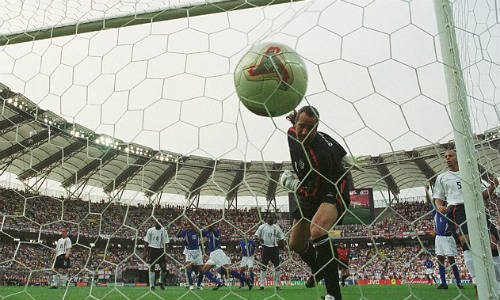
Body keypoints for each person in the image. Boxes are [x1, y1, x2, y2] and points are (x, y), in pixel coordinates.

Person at [280, 106, 351, 300]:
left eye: (309, 128)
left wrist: (292, 183)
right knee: (296, 243)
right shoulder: (292, 133)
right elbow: (340, 149)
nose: (303, 132)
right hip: (309, 184)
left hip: (333, 186)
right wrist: (294, 122)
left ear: (317, 127)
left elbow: (314, 192)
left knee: (318, 230)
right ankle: (318, 268)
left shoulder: (320, 156)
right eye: (301, 126)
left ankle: (334, 295)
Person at [433, 149, 500, 285]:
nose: (447, 159)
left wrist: (492, 186)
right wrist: (439, 206)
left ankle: (497, 280)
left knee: (492, 242)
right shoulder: (442, 177)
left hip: (476, 207)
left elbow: (481, 196)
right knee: (467, 242)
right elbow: (438, 197)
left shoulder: (470, 173)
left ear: (459, 157)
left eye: (450, 156)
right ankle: (477, 280)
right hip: (457, 209)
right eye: (445, 157)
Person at [424, 185, 463, 289]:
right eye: (438, 201)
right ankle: (443, 283)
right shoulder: (434, 210)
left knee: (451, 259)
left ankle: (459, 283)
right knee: (440, 259)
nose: (438, 202)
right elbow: (429, 201)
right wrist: (426, 191)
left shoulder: (449, 211)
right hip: (438, 238)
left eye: (440, 201)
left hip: (448, 237)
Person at [197, 225, 253, 291]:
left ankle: (247, 281)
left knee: (228, 271)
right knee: (204, 270)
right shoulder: (207, 233)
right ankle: (218, 282)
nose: (207, 227)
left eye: (209, 226)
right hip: (212, 255)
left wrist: (208, 222)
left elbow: (212, 229)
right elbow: (198, 232)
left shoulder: (216, 232)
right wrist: (191, 224)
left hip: (218, 253)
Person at [254, 213, 285, 290]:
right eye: (268, 218)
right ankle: (262, 285)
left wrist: (281, 243)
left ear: (273, 219)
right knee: (263, 267)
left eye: (271, 218)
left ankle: (277, 285)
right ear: (266, 219)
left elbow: (282, 237)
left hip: (274, 248)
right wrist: (259, 239)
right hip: (265, 248)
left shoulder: (276, 227)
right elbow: (256, 236)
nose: (270, 219)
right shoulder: (262, 227)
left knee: (277, 267)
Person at [177, 222, 203, 290]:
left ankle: (199, 285)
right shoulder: (186, 232)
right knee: (189, 268)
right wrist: (181, 228)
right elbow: (177, 235)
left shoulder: (197, 231)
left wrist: (191, 223)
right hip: (189, 251)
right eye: (188, 225)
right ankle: (191, 284)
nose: (189, 226)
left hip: (198, 252)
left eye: (190, 225)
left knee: (202, 270)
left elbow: (199, 232)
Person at [144, 223, 169, 290]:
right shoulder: (150, 230)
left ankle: (160, 281)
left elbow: (166, 243)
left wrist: (166, 254)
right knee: (152, 268)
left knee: (164, 268)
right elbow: (146, 243)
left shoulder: (164, 231)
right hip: (152, 250)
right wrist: (145, 254)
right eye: (156, 222)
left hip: (161, 250)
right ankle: (152, 286)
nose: (158, 224)